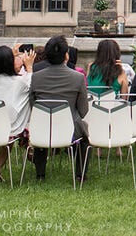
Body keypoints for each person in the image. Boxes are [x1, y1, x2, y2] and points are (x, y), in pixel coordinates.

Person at [29, 36, 89, 182]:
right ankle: (80, 174)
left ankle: (40, 174)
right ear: (66, 55)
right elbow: (83, 110)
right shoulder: (78, 78)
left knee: (41, 127)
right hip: (70, 128)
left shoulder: (36, 77)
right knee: (84, 136)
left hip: (42, 126)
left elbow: (33, 104)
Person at [0, 44, 35, 182]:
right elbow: (32, 84)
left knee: (9, 133)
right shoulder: (18, 82)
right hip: (11, 128)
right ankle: (31, 151)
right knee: (19, 129)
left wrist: (10, 54)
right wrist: (29, 66)